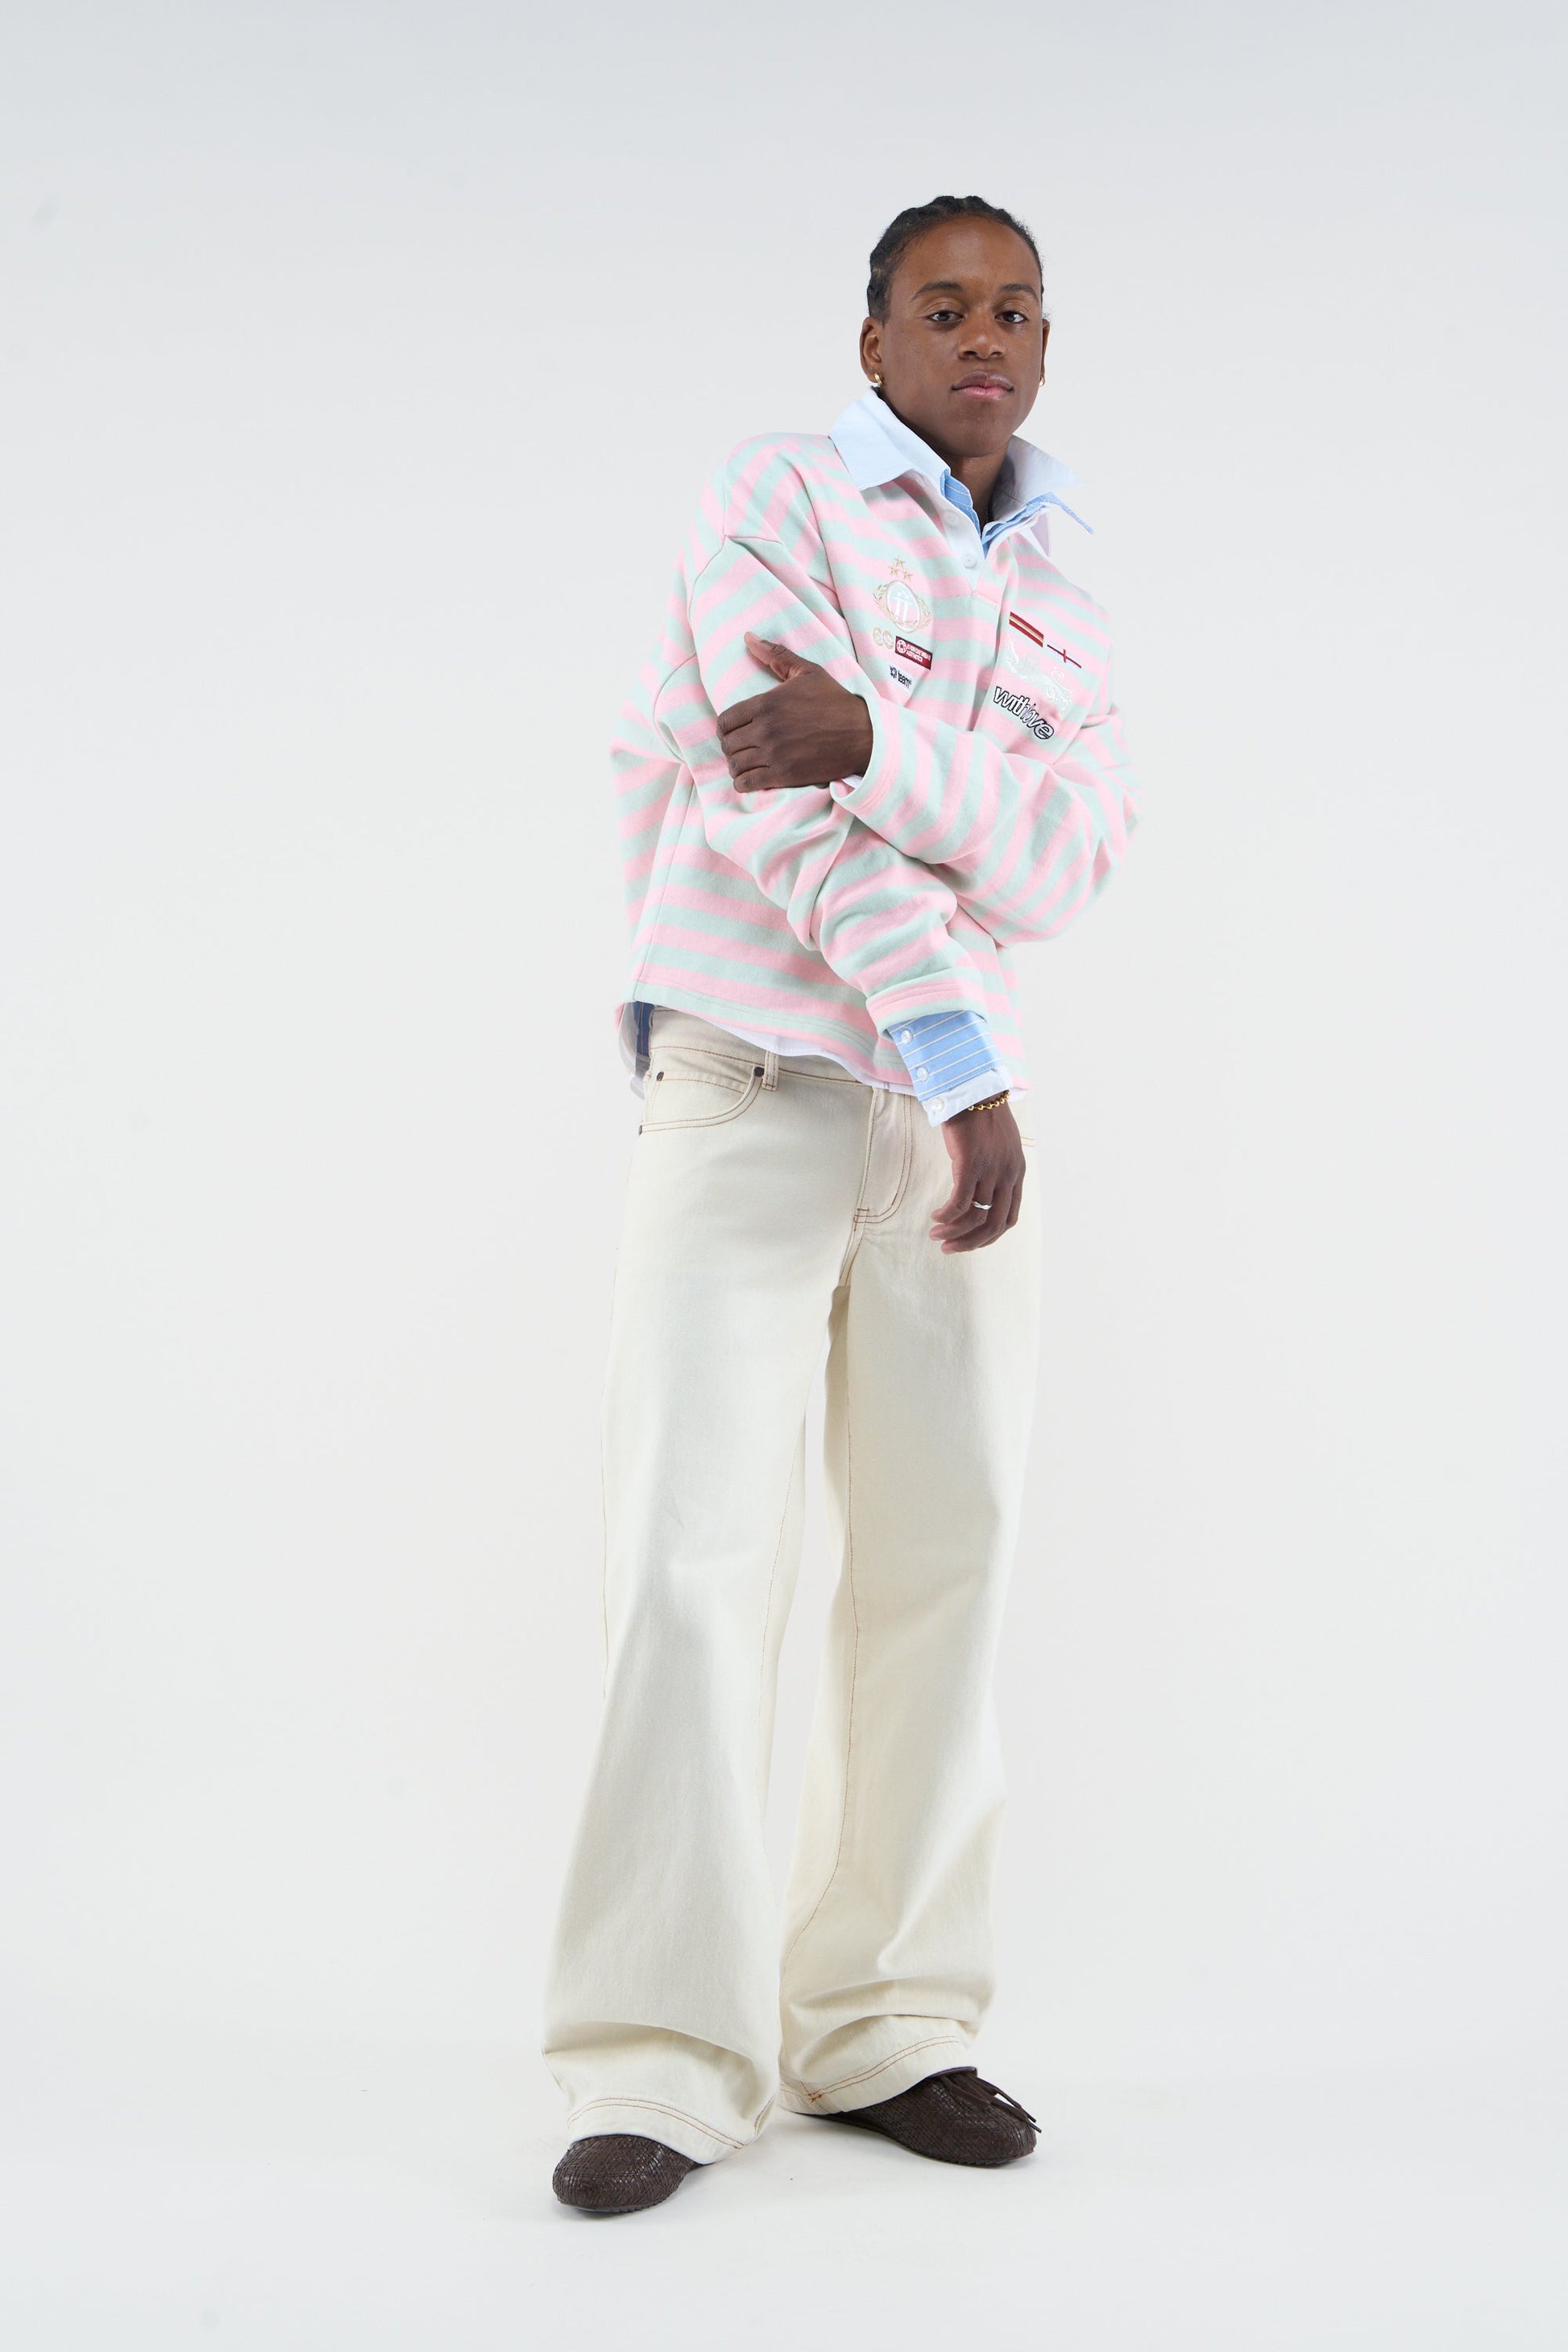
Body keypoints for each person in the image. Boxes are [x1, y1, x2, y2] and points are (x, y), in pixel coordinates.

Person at [541, 193, 1139, 2215]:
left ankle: (885, 2022)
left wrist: (878, 734)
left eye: (1018, 309)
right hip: (759, 1078)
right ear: (873, 338)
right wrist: (962, 1036)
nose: (987, 336)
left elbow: (1066, 860)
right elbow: (776, 811)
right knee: (691, 1560)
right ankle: (660, 2055)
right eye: (943, 305)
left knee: (942, 1565)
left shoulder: (1060, 585)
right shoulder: (775, 497)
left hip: (949, 1130)